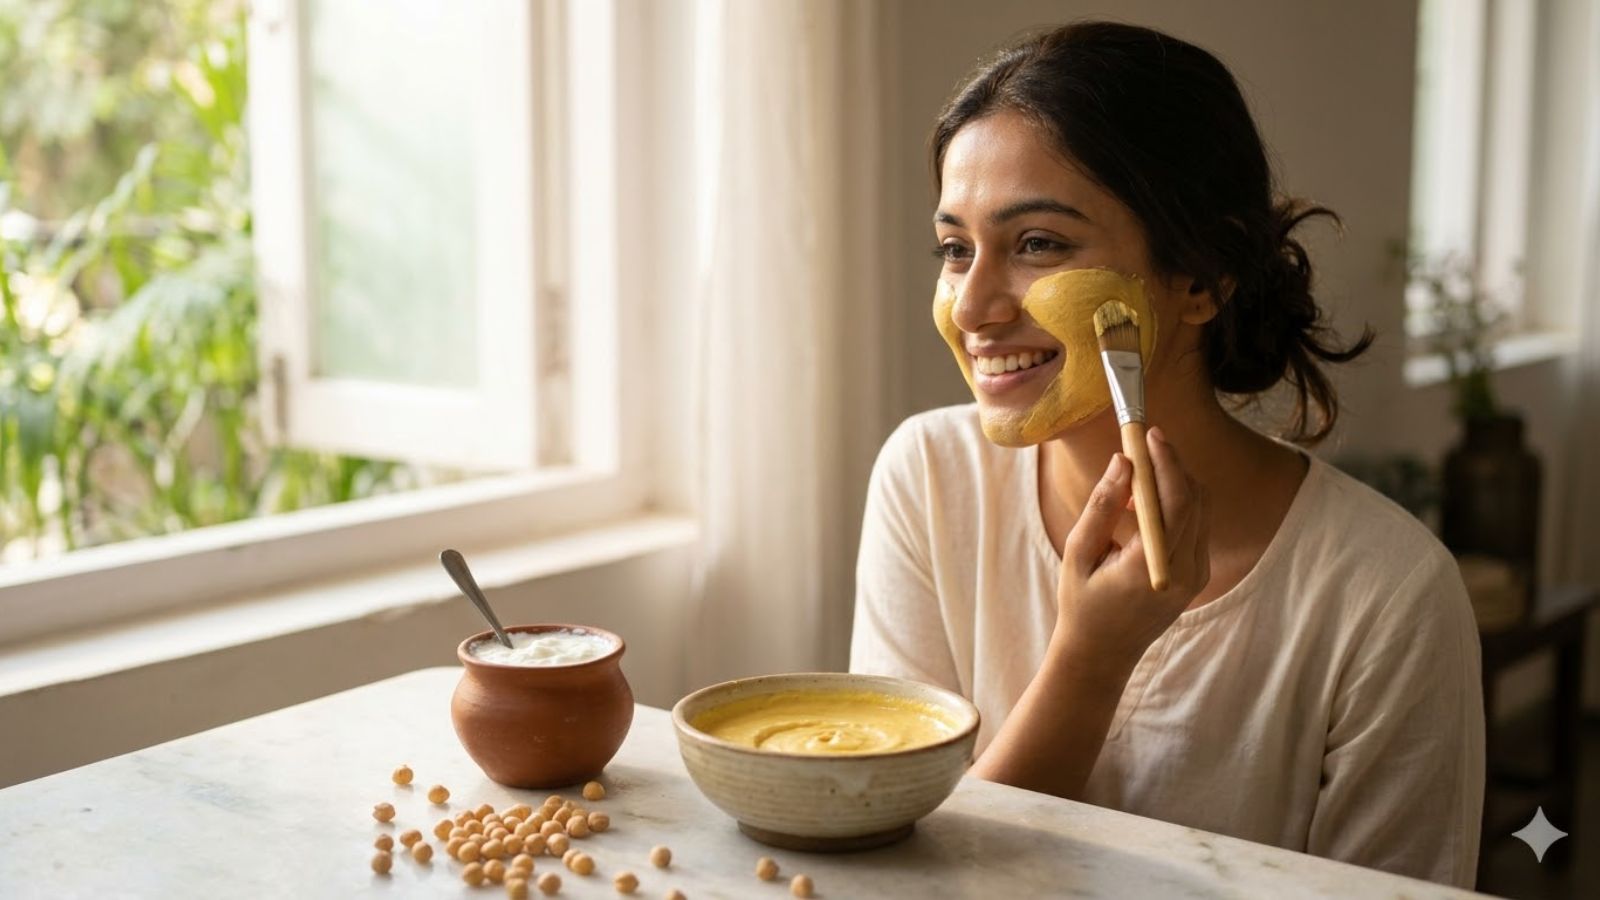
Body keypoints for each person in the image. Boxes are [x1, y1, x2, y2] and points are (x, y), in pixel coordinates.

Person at [849, 21, 1484, 889]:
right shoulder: (928, 478)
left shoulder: (1386, 593)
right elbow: (895, 873)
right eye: (957, 250)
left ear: (1201, 279)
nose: (971, 307)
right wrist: (1089, 658)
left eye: (1038, 244)